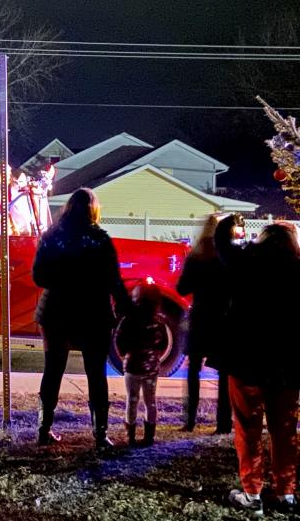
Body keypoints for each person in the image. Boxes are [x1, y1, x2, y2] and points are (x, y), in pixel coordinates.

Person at [32, 187, 131, 451]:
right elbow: (114, 281)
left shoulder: (52, 237)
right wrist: (126, 308)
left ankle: (44, 429)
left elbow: (39, 277)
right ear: (93, 210)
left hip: (56, 311)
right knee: (96, 374)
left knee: (53, 369)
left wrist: (64, 279)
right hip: (93, 313)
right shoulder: (101, 240)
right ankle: (100, 436)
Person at [215, 215, 300, 516]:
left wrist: (228, 221)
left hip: (247, 361)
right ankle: (286, 493)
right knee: (285, 430)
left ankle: (252, 494)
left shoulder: (245, 265)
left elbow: (222, 244)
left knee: (248, 429)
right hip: (287, 367)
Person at [176, 214, 232, 434]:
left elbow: (182, 289)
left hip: (200, 318)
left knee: (193, 372)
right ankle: (223, 423)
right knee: (224, 373)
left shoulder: (196, 256)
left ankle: (190, 420)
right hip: (223, 319)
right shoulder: (227, 257)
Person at [116, 280, 167, 447]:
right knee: (150, 401)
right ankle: (149, 437)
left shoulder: (129, 319)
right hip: (151, 368)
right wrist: (155, 357)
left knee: (132, 400)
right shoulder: (159, 320)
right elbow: (163, 343)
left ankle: (130, 436)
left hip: (132, 366)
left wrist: (125, 355)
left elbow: (119, 340)